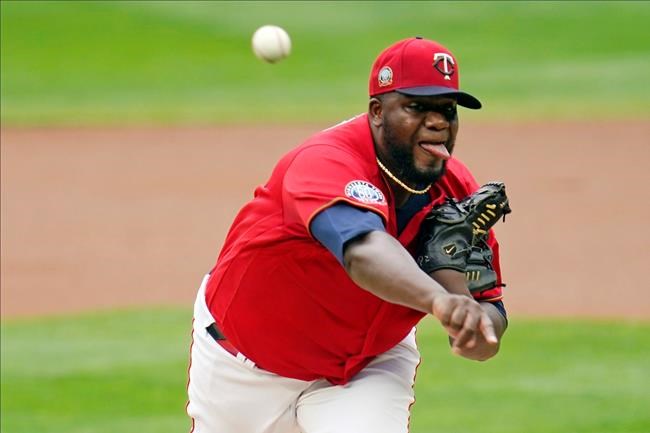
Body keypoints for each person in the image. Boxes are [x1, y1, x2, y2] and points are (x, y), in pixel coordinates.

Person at [186, 36, 508, 433]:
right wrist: (438, 301)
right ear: (377, 111)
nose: (438, 121)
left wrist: (476, 327)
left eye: (447, 110)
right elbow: (362, 252)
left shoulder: (457, 192)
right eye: (417, 107)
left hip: (368, 366)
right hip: (246, 365)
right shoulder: (326, 161)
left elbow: (489, 310)